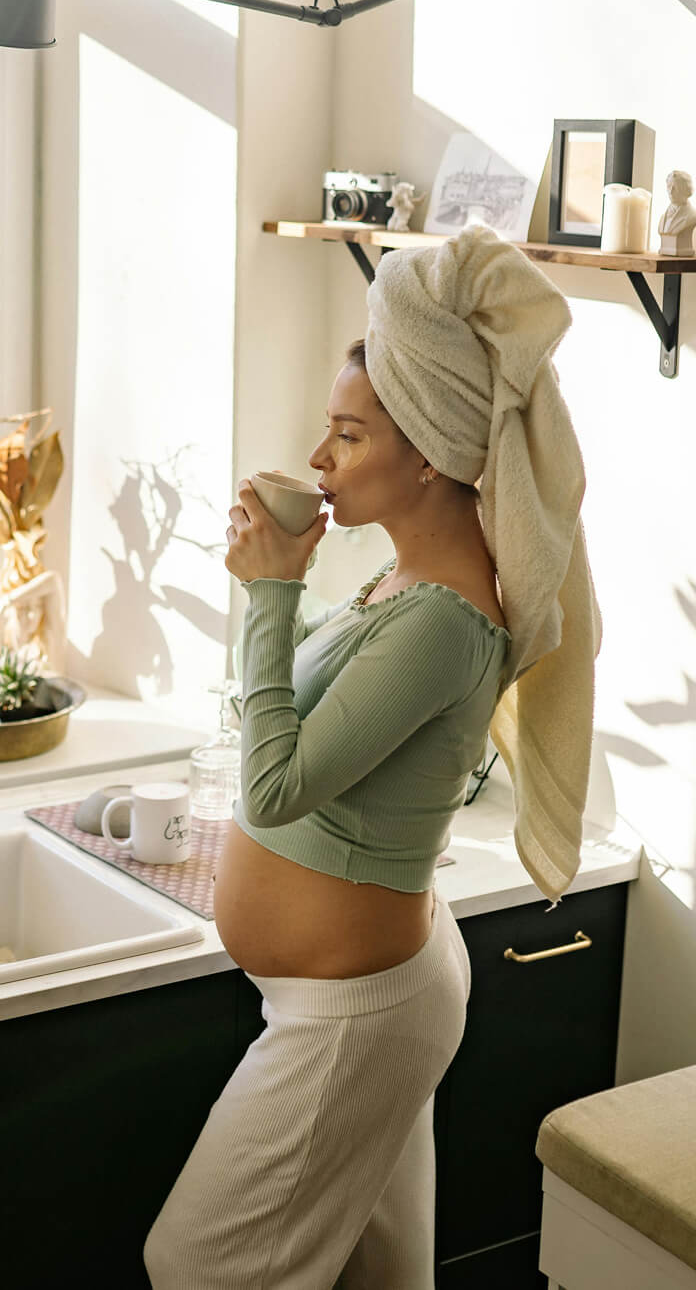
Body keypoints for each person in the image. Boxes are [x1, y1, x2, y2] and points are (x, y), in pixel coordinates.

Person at [144, 221, 601, 1288]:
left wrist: (268, 589)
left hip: (355, 1017)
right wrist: (278, 589)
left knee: (196, 1264)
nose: (318, 459)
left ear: (433, 452)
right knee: (378, 1277)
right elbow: (287, 744)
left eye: (347, 437)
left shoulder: (444, 619)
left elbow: (275, 780)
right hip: (352, 998)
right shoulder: (397, 586)